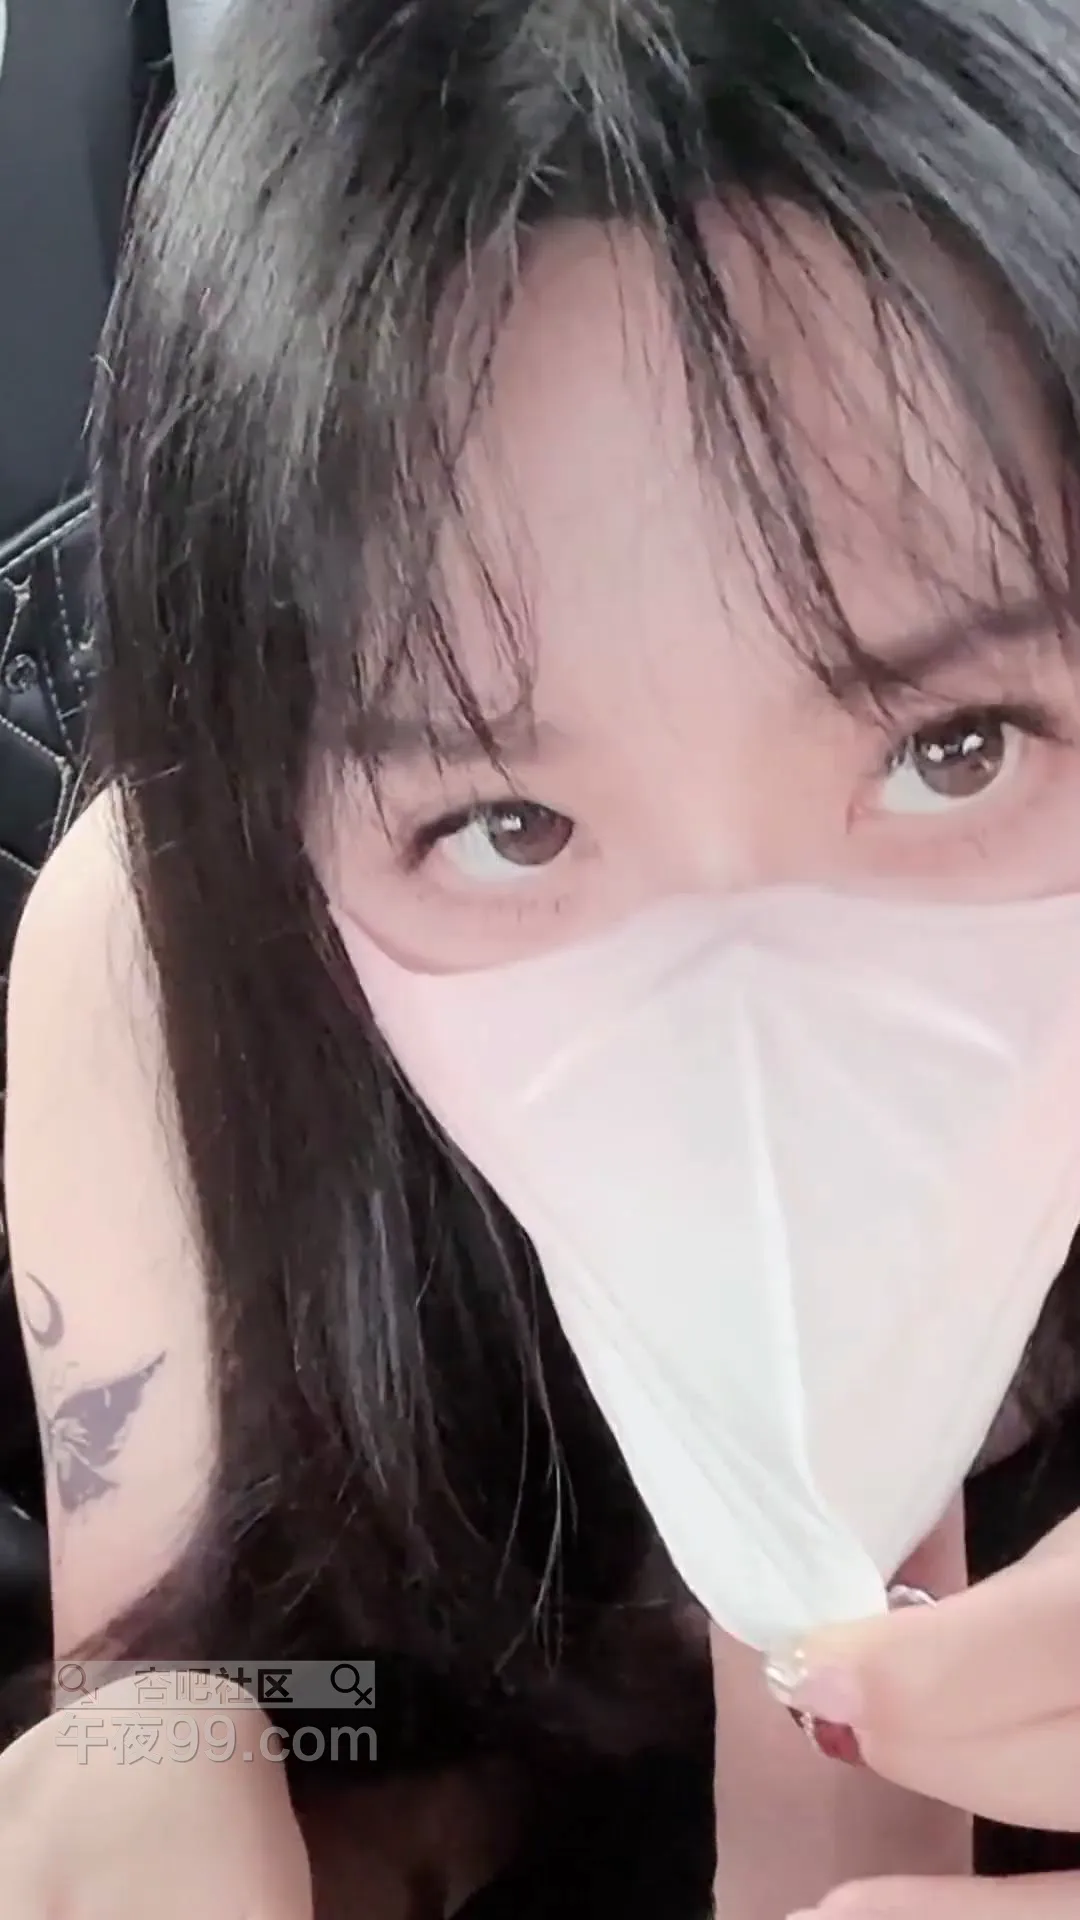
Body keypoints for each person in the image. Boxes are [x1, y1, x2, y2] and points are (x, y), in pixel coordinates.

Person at [5, 0, 1080, 1914]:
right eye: (508, 826)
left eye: (956, 748)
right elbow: (237, 1691)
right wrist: (172, 1754)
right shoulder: (179, 972)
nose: (757, 1048)